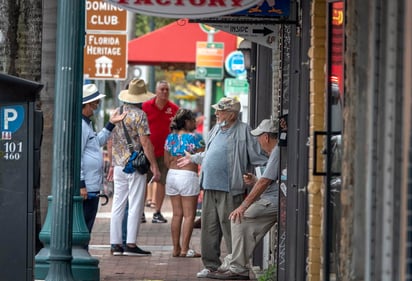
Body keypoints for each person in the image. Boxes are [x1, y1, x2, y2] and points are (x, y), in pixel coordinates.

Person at [177, 97, 268, 278]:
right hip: (209, 186)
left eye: (220, 110)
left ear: (232, 114)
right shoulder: (216, 129)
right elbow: (210, 155)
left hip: (230, 188)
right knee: (209, 228)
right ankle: (211, 266)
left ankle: (236, 266)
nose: (217, 113)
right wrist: (194, 158)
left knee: (231, 229)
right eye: (217, 110)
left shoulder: (243, 131)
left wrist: (261, 176)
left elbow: (259, 157)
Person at [207, 118, 280, 280]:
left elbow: (265, 182)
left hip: (276, 200)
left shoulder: (277, 151)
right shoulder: (276, 151)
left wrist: (243, 206)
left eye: (259, 137)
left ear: (266, 137)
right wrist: (254, 180)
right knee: (243, 222)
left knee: (239, 218)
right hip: (275, 198)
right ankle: (235, 263)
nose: (257, 140)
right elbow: (269, 179)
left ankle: (237, 266)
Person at [108, 78, 161, 256]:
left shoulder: (116, 111)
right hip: (135, 165)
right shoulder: (140, 115)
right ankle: (130, 244)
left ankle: (115, 244)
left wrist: (112, 162)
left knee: (118, 204)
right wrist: (154, 165)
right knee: (136, 204)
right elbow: (145, 142)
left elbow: (110, 139)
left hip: (118, 164)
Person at [80, 83, 126, 248]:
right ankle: (81, 253)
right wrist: (81, 184)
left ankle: (83, 251)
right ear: (86, 104)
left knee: (88, 224)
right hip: (87, 186)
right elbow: (78, 155)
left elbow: (96, 142)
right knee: (84, 225)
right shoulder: (81, 125)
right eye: (94, 104)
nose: (96, 107)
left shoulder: (87, 124)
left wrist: (110, 124)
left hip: (91, 184)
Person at [164, 109, 205, 258]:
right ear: (187, 122)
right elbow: (205, 157)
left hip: (172, 175)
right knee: (189, 216)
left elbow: (166, 161)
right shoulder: (196, 137)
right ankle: (185, 249)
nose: (195, 123)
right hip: (188, 175)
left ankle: (175, 248)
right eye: (193, 120)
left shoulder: (170, 138)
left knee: (176, 215)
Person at [142, 80, 179, 223]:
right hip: (147, 152)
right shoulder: (146, 107)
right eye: (162, 89)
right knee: (143, 182)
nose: (164, 92)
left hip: (165, 153)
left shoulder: (174, 109)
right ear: (156, 91)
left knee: (162, 182)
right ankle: (141, 212)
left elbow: (177, 130)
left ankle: (157, 212)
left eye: (167, 90)